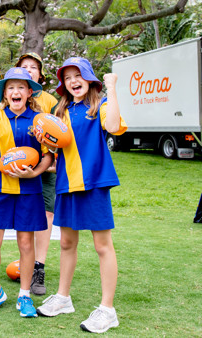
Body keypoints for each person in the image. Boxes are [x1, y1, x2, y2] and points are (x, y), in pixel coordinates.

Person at [35, 57, 127, 333]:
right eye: (68, 77)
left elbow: (113, 127)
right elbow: (54, 152)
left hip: (95, 184)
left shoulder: (98, 106)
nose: (74, 81)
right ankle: (63, 298)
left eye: (79, 75)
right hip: (66, 184)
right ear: (63, 84)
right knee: (65, 243)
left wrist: (111, 88)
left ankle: (108, 310)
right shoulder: (61, 112)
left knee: (102, 246)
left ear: (90, 79)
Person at [0, 68, 53, 317]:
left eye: (21, 87)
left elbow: (49, 155)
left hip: (29, 190)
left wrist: (35, 173)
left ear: (29, 92)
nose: (16, 91)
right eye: (11, 87)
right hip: (0, 189)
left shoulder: (40, 120)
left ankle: (25, 296)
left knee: (26, 244)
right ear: (5, 94)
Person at [16, 53, 59, 296]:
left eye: (34, 67)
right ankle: (26, 264)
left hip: (47, 169)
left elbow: (61, 133)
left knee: (45, 217)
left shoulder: (50, 100)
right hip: (21, 170)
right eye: (24, 67)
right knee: (23, 221)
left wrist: (53, 162)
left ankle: (39, 268)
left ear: (40, 74)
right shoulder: (12, 96)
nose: (29, 70)